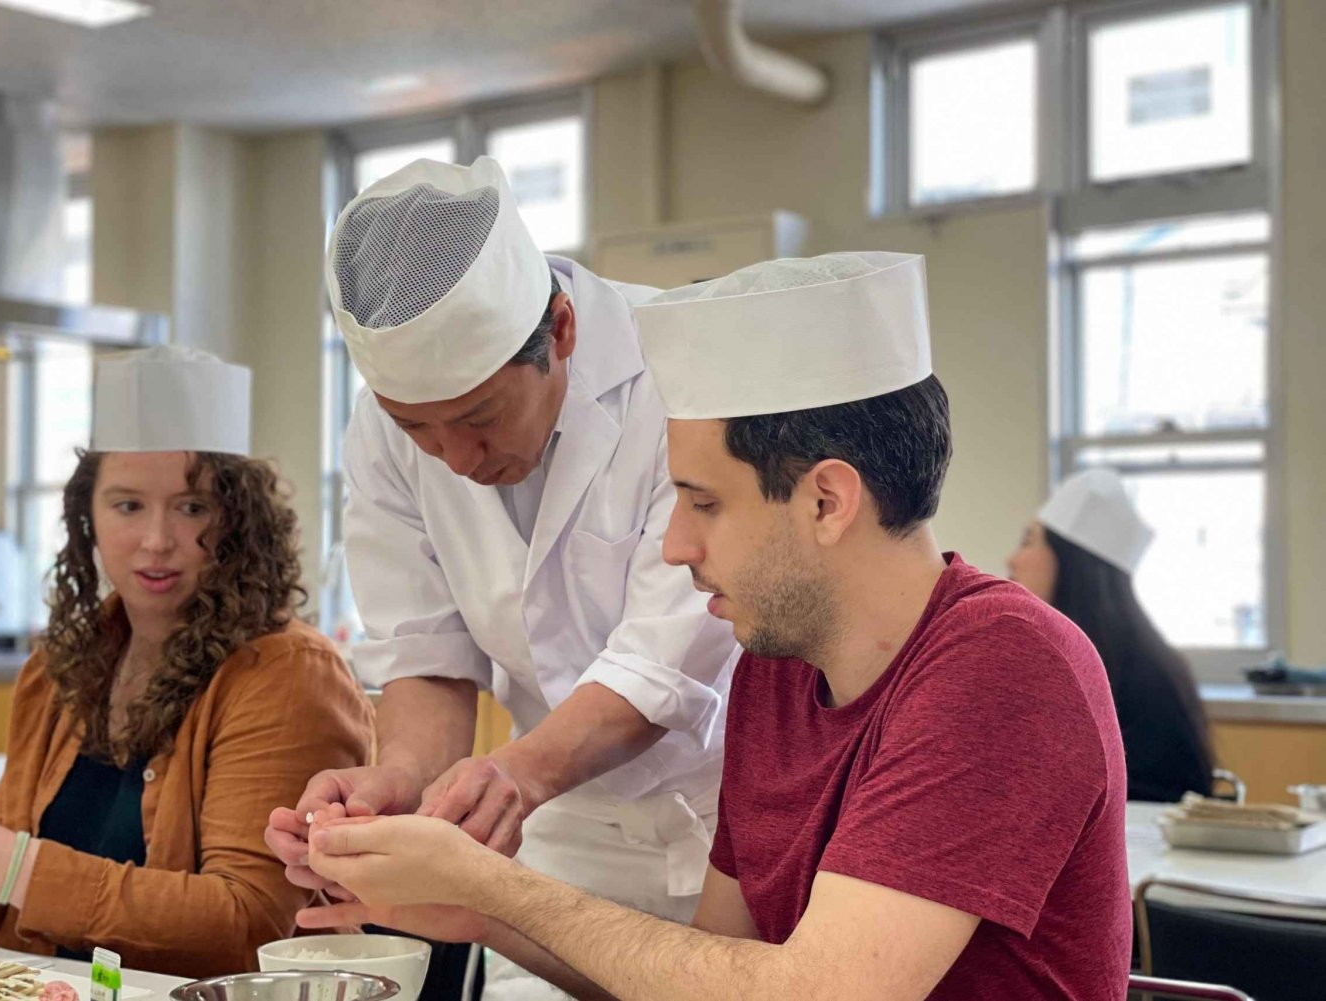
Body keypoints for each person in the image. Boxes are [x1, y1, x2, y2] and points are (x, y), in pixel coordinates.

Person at [294, 253, 1133, 1001]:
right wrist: (476, 908)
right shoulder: (777, 671)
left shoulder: (1004, 666)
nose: (673, 544)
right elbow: (708, 967)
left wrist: (501, 889)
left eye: (702, 502)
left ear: (825, 501)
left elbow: (824, 991)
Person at [265, 157, 737, 999]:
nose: (456, 458)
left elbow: (661, 664)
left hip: (722, 832)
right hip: (542, 847)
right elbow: (428, 648)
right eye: (419, 429)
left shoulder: (682, 371)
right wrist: (398, 779)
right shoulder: (379, 429)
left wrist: (512, 775)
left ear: (561, 330)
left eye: (480, 417)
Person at [0, 346, 373, 978]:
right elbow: (2, 903)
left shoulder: (287, 675)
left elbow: (250, 924)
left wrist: (14, 865)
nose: (157, 539)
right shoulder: (59, 668)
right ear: (87, 516)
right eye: (128, 504)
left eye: (192, 506)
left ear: (238, 518)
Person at [1008, 468, 1215, 803]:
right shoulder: (1140, 655)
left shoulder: (1126, 672)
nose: (1012, 559)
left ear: (1071, 561)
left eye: (1028, 541)